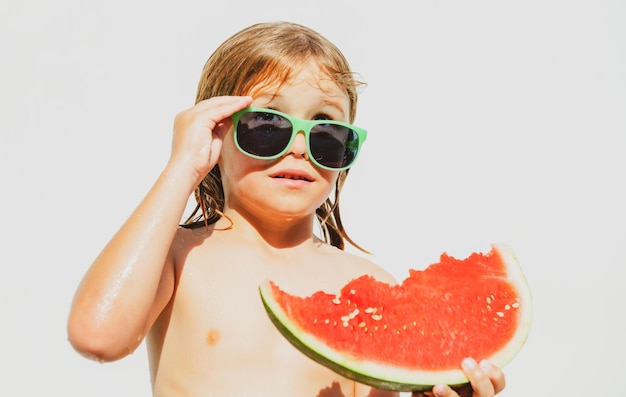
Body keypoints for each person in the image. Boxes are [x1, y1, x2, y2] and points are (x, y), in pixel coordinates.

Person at [67, 21, 506, 397]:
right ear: (216, 136)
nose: (299, 148)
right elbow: (98, 335)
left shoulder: (371, 288)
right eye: (268, 125)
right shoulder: (179, 257)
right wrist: (183, 167)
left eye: (326, 133)